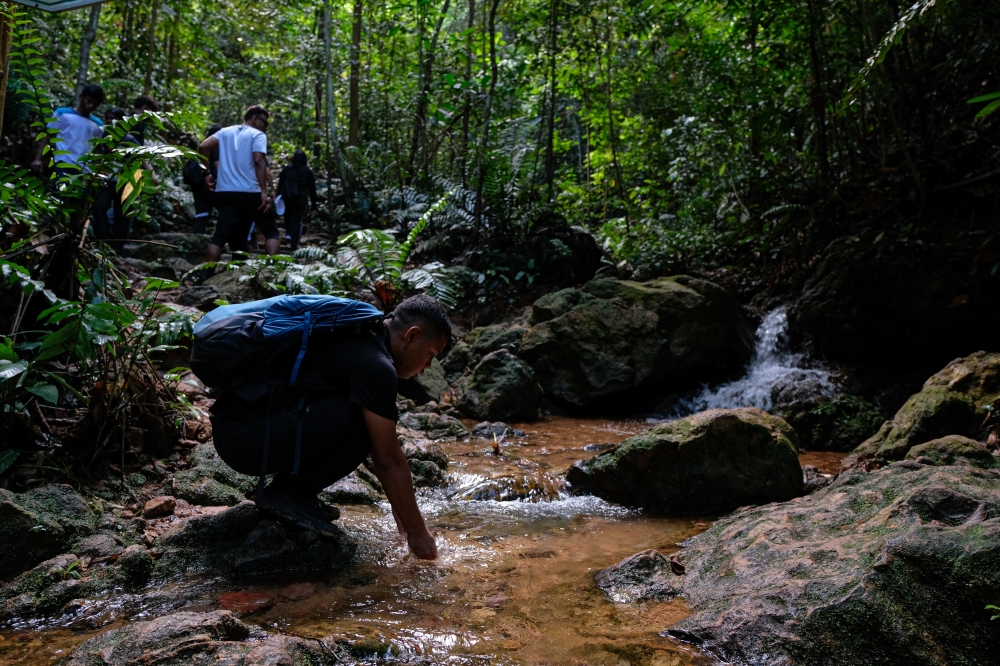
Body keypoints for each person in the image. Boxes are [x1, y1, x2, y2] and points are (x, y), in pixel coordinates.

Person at [209, 294, 449, 560]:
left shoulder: (361, 331)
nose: (427, 368)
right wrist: (419, 534)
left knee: (369, 418)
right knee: (366, 423)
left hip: (238, 427)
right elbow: (388, 460)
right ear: (412, 336)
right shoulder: (376, 365)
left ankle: (294, 494)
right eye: (430, 356)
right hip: (246, 439)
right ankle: (291, 494)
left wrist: (402, 507)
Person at [199, 105, 280, 261]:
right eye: (265, 122)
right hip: (249, 192)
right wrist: (264, 191)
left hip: (226, 193)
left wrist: (206, 173)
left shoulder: (225, 132)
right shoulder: (258, 135)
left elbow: (203, 147)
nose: (266, 127)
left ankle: (207, 274)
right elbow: (258, 161)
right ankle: (273, 271)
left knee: (220, 236)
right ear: (255, 120)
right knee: (271, 231)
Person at [30, 83, 105, 176]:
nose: (90, 106)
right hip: (64, 163)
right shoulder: (62, 113)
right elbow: (48, 136)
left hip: (85, 171)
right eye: (89, 101)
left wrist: (97, 171)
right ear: (81, 97)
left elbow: (96, 149)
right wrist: (38, 159)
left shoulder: (98, 124)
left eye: (95, 104)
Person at [91, 106, 140, 249]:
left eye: (113, 118)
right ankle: (105, 242)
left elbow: (142, 158)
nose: (109, 121)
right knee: (98, 207)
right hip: (106, 181)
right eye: (107, 118)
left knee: (122, 214)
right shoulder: (102, 136)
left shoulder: (129, 139)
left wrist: (151, 175)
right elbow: (95, 154)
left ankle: (117, 247)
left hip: (124, 182)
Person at [277, 149, 318, 251]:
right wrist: (314, 206)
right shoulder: (308, 172)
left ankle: (288, 234)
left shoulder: (286, 170)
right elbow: (312, 190)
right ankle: (294, 246)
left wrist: (278, 197)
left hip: (287, 198)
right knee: (297, 221)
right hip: (301, 200)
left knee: (288, 217)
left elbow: (280, 185)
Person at [184, 124, 221, 235]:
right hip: (211, 183)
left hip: (198, 184)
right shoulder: (216, 147)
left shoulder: (201, 147)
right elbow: (218, 165)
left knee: (202, 212)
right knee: (226, 211)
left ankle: (197, 239)